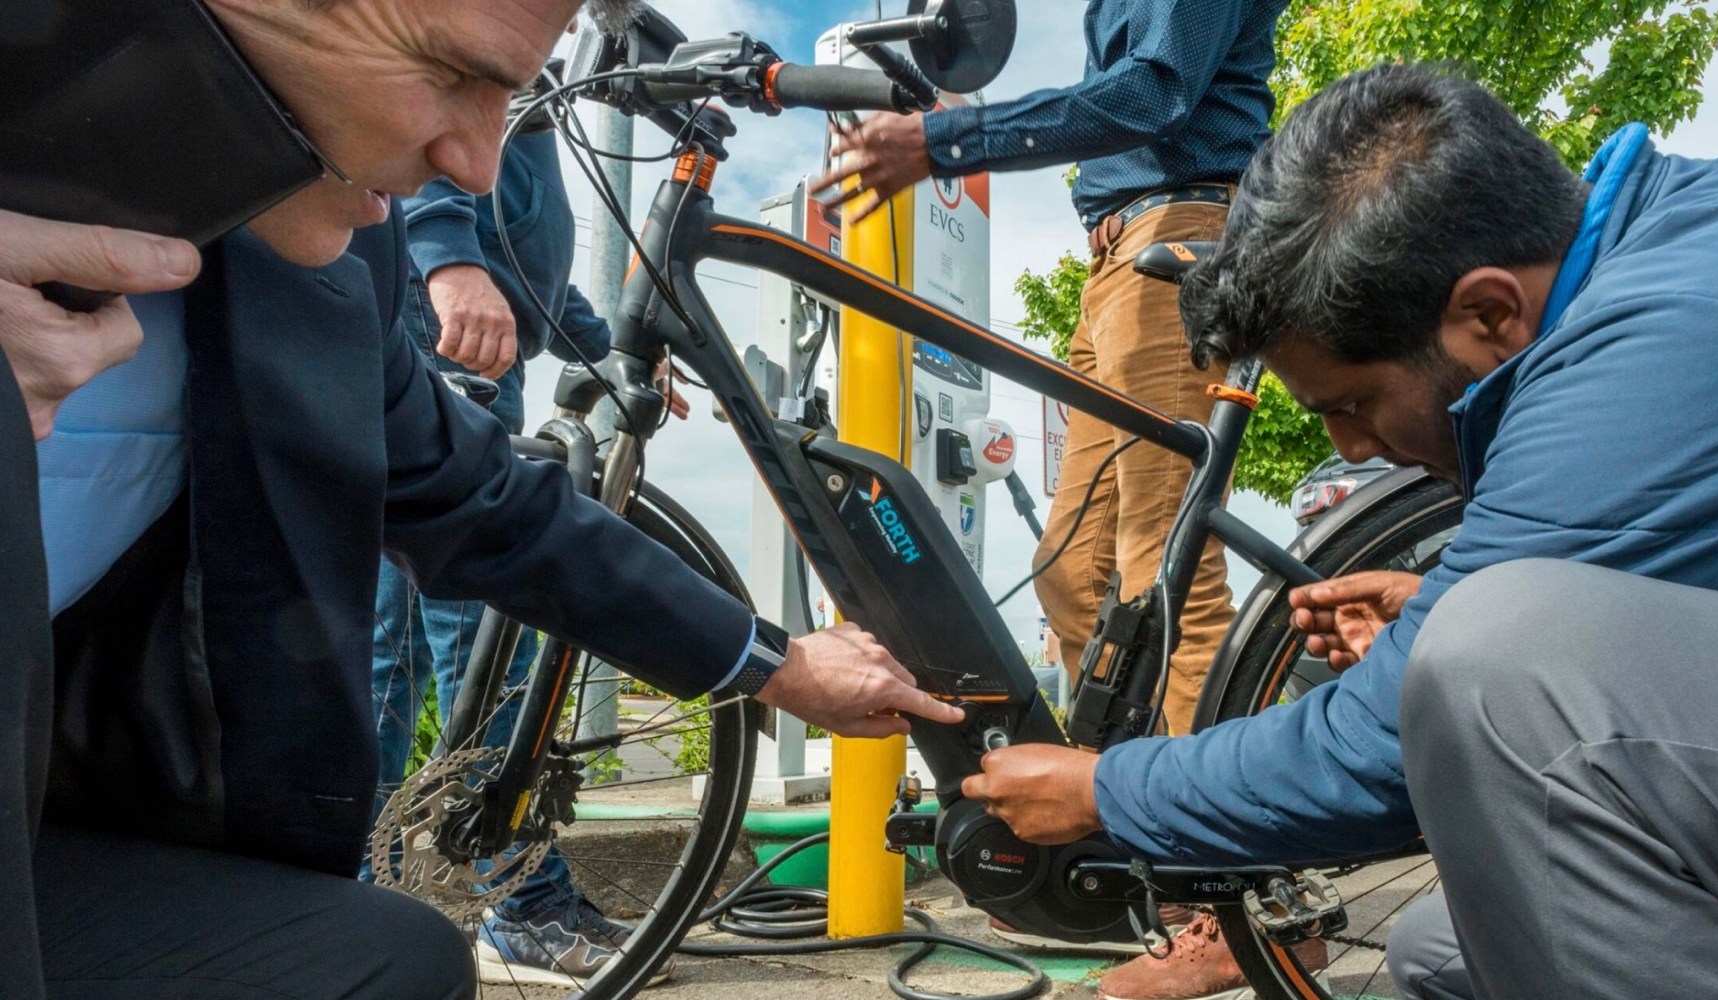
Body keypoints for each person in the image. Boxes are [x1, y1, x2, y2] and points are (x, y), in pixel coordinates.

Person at [959, 63, 1718, 1000]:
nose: (1350, 449)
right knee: (1446, 954)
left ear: (1488, 314)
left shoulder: (1670, 343)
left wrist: (1109, 788)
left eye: (1352, 402)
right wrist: (1441, 616)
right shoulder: (1662, 256)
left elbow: (1388, 748)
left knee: (1499, 659)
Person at [0, 2, 963, 998]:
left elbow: (489, 501)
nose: (475, 165)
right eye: (450, 74)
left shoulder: (333, 261)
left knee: (398, 957)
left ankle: (507, 890)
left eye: (514, 97)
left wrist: (774, 662)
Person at [813, 3, 1297, 991]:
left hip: (1182, 230)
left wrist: (941, 141)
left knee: (1167, 573)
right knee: (1072, 577)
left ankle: (1233, 902)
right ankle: (1125, 843)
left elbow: (1151, 89)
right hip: (1116, 253)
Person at [366, 109, 651, 983]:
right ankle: (519, 897)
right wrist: (449, 264)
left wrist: (608, 356)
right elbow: (423, 135)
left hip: (476, 349)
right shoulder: (490, 66)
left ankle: (343, 871)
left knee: (396, 644)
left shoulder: (534, 105)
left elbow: (531, 264)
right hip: (442, 331)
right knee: (488, 637)